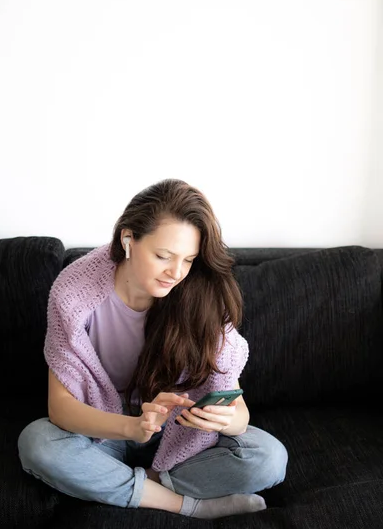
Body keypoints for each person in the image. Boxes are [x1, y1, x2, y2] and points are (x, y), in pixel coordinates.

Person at [18, 178, 288, 519]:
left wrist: (222, 420)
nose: (176, 273)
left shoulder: (202, 295)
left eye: (188, 260)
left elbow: (240, 415)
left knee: (269, 457)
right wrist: (133, 427)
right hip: (107, 433)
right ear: (128, 240)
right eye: (163, 256)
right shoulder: (74, 295)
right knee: (37, 443)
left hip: (180, 436)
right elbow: (60, 408)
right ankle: (187, 506)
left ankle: (142, 484)